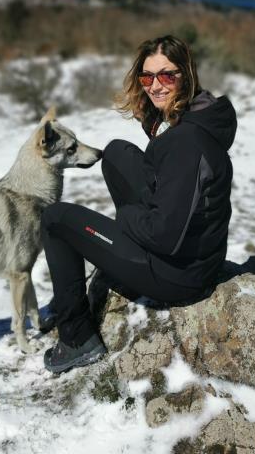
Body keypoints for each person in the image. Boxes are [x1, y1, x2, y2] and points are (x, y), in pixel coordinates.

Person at [40, 34, 237, 374]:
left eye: (167, 75)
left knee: (56, 220)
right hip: (196, 255)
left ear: (186, 75)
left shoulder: (186, 142)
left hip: (176, 275)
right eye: (147, 77)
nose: (155, 85)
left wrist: (127, 219)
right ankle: (126, 253)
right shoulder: (195, 117)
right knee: (116, 153)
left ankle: (77, 338)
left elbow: (164, 235)